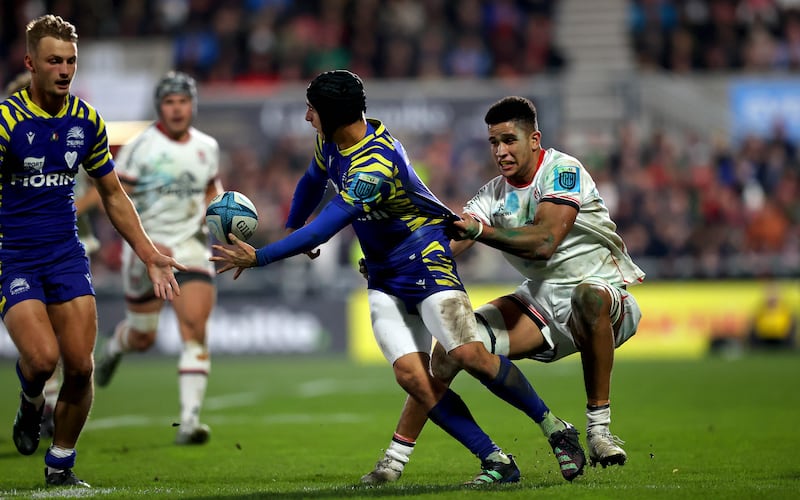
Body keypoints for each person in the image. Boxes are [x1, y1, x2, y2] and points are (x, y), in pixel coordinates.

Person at [211, 70, 586, 485]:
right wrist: (291, 227)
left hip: (427, 262)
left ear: (332, 114)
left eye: (312, 111)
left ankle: (556, 427)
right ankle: (495, 459)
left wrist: (260, 257)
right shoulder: (331, 142)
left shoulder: (375, 163)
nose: (306, 118)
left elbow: (323, 231)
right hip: (383, 274)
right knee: (412, 375)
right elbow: (312, 181)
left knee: (467, 355)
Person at [360, 95, 645, 484]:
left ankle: (598, 431)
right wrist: (391, 263)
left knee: (588, 296)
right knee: (450, 348)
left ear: (534, 139)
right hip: (540, 300)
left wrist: (483, 231)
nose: (500, 150)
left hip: (606, 295)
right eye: (494, 142)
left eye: (509, 140)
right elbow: (451, 241)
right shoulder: (491, 194)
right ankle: (394, 460)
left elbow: (545, 240)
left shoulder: (563, 170)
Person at [1, 14, 185, 488]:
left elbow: (113, 195)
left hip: (65, 254)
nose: (64, 70)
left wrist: (148, 253)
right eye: (54, 61)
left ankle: (60, 464)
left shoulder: (86, 121)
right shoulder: (6, 122)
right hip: (14, 257)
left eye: (71, 61)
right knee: (42, 360)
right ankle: (30, 402)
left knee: (81, 366)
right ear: (31, 63)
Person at [94, 71, 223, 446]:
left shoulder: (207, 147)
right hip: (147, 251)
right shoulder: (139, 147)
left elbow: (211, 189)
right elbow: (115, 199)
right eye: (170, 102)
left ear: (193, 105)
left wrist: (218, 207)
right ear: (159, 107)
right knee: (143, 337)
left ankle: (189, 421)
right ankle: (117, 346)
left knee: (195, 329)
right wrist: (145, 245)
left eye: (183, 101)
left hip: (191, 248)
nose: (177, 108)